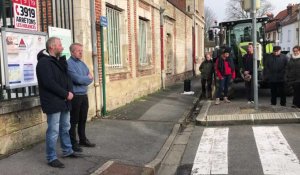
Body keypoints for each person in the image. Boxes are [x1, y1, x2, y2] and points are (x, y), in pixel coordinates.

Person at [36, 37, 78, 168]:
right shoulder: (44, 63)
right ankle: (51, 157)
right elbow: (49, 83)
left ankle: (67, 150)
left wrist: (70, 91)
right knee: (53, 130)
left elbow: (68, 79)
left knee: (66, 127)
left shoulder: (60, 61)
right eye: (60, 45)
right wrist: (66, 94)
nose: (62, 47)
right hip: (53, 102)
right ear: (52, 47)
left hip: (64, 101)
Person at [67, 43, 95, 152]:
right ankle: (73, 143)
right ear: (72, 52)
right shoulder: (68, 64)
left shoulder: (82, 64)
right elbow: (77, 80)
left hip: (84, 95)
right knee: (73, 120)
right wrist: (85, 79)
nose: (81, 52)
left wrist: (85, 79)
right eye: (79, 51)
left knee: (83, 119)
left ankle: (83, 139)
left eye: (82, 51)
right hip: (75, 96)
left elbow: (91, 77)